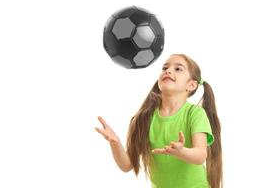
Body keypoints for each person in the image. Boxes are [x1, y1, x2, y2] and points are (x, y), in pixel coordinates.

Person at [95, 54, 223, 188]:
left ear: (191, 85)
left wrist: (182, 152)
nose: (168, 71)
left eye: (178, 69)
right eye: (165, 68)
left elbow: (200, 155)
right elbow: (126, 165)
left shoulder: (195, 114)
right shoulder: (145, 118)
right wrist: (115, 142)